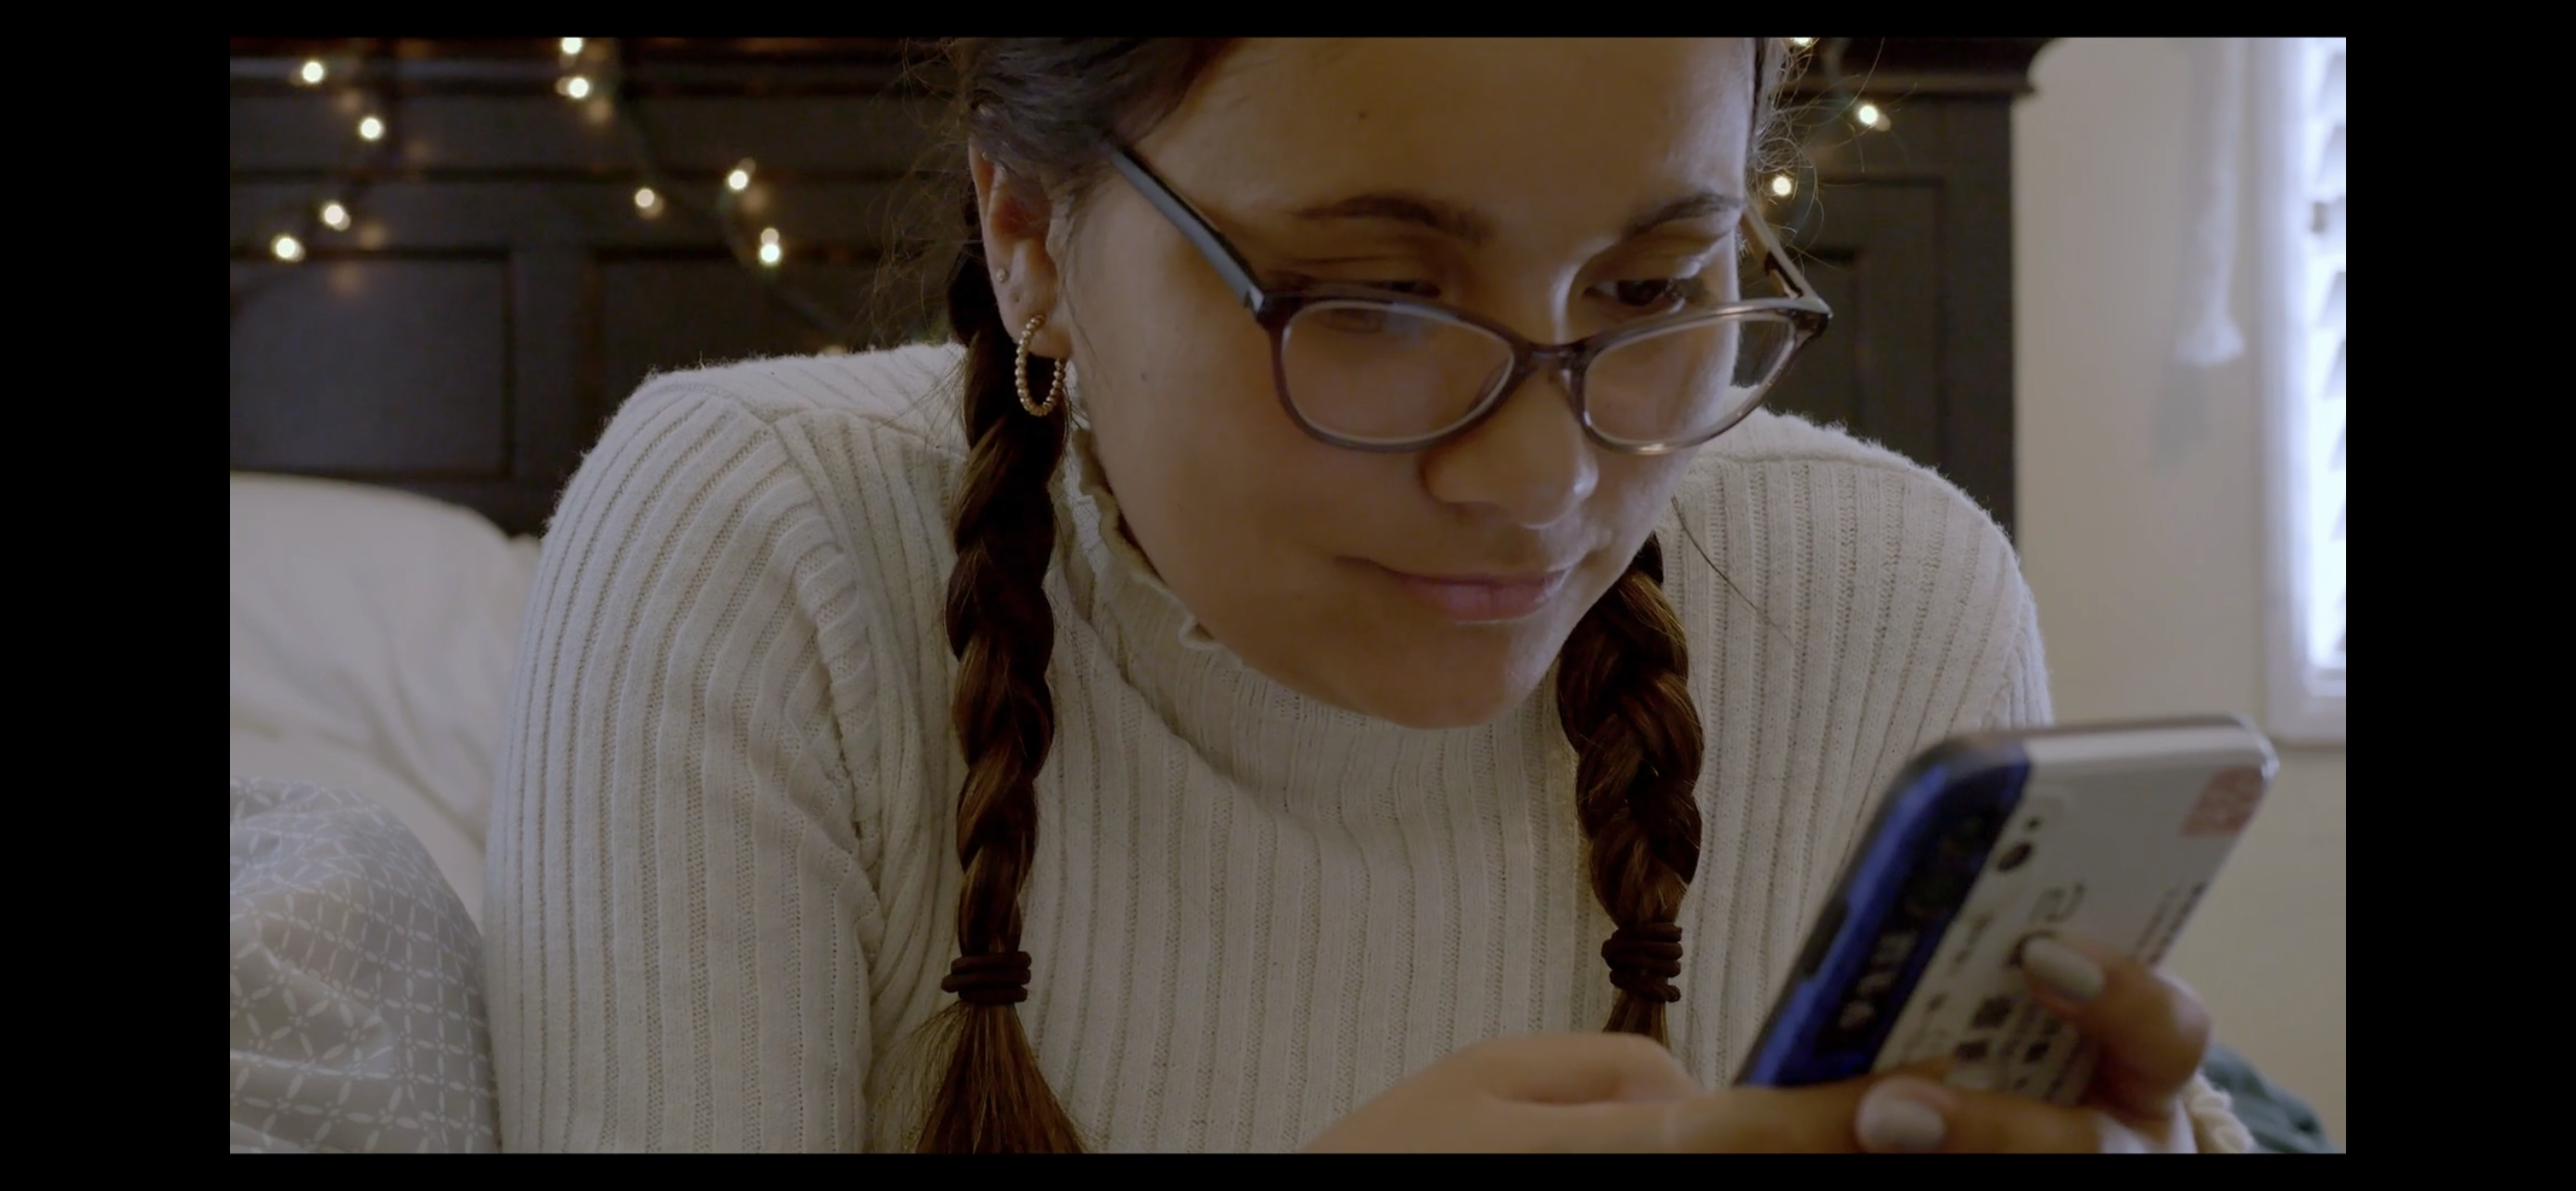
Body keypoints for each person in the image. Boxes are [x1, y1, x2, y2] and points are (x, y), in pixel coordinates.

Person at [484, 37, 2253, 1153]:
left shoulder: (1889, 594)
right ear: (1027, 234)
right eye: (1374, 300)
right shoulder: (757, 543)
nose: (1543, 486)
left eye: (1652, 288)